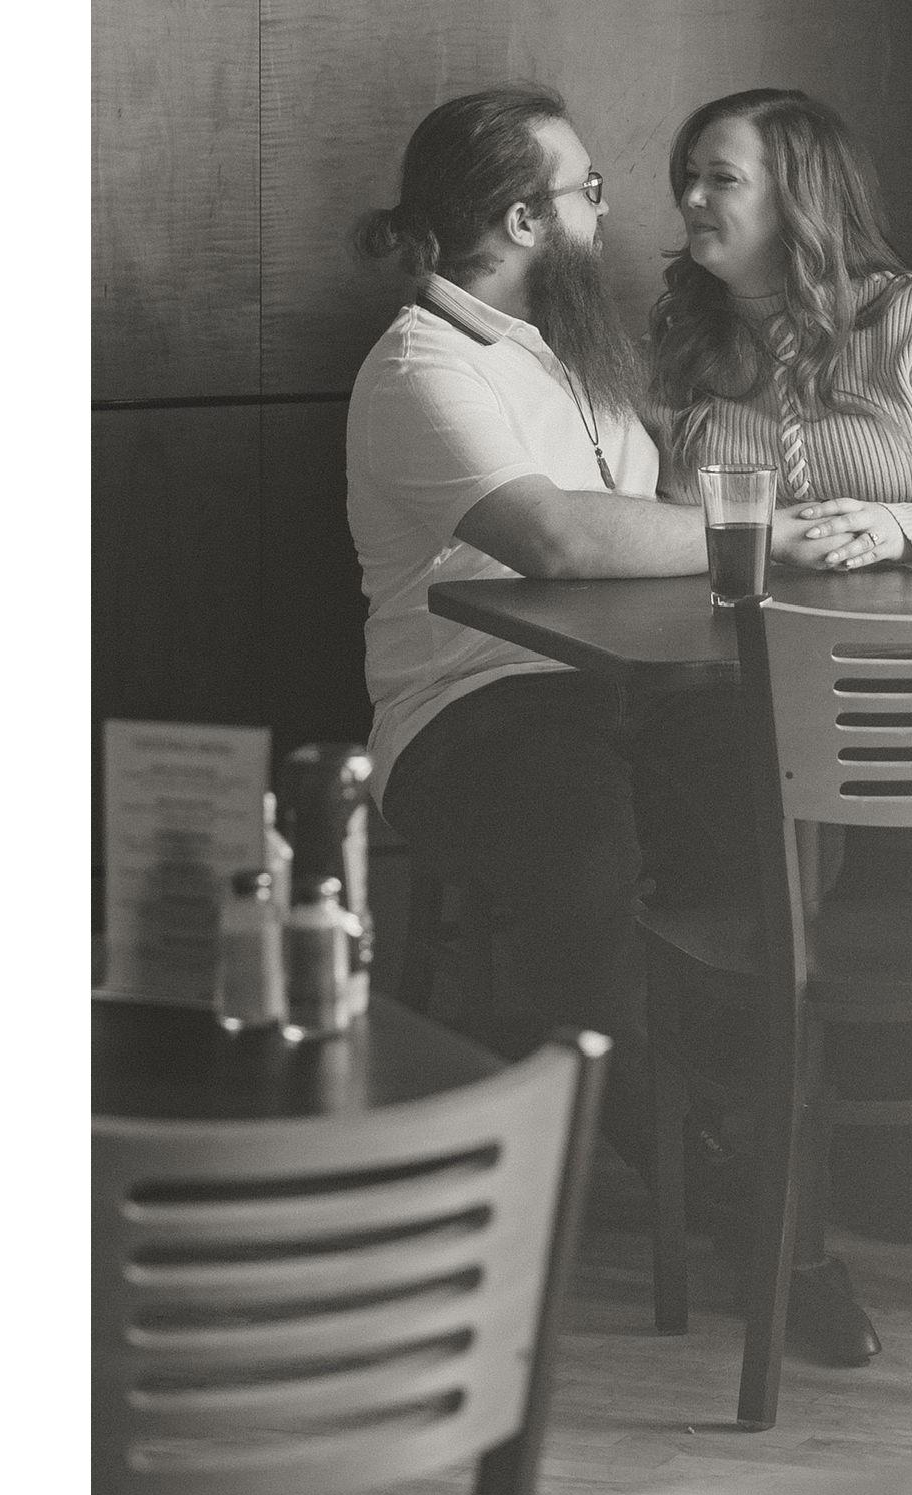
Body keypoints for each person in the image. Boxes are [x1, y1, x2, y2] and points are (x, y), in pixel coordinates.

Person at [345, 87, 879, 1359]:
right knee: (587, 860)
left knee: (770, 825)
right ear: (524, 220)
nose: (607, 210)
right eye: (585, 192)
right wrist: (764, 534)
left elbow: (650, 510)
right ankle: (708, 1182)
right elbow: (558, 538)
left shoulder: (571, 349)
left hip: (634, 692)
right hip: (471, 711)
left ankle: (755, 1180)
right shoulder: (420, 367)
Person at [631, 87, 912, 1360]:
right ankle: (773, 1190)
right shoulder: (678, 340)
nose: (692, 201)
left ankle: (886, 1156)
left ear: (800, 198)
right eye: (687, 177)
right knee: (731, 881)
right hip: (729, 694)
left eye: (721, 178)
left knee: (904, 889)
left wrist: (899, 527)